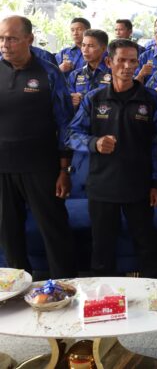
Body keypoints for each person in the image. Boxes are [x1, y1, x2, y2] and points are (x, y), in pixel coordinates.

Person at [68, 38, 157, 278]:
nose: (127, 66)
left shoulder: (150, 99)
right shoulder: (94, 99)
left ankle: (154, 292)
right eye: (121, 60)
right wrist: (95, 143)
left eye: (133, 61)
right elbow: (71, 135)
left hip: (140, 185)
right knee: (102, 249)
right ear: (109, 62)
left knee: (147, 246)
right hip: (102, 185)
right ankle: (103, 294)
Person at [0, 15, 76, 278]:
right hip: (3, 169)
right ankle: (18, 290)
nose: (5, 44)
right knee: (9, 234)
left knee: (54, 232)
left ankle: (64, 287)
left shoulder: (49, 72)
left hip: (41, 167)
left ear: (29, 39)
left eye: (11, 38)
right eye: (1, 38)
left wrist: (64, 170)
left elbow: (65, 123)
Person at [68, 29, 111, 108]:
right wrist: (72, 101)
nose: (85, 50)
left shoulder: (114, 73)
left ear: (104, 48)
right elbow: (67, 103)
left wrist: (83, 97)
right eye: (83, 45)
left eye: (90, 46)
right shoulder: (75, 74)